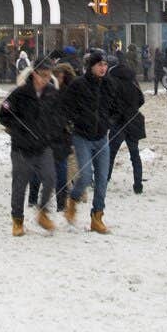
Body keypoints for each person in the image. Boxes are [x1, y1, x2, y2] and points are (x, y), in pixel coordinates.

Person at [0, 59, 59, 235]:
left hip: (43, 146)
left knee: (50, 178)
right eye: (44, 75)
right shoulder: (20, 93)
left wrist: (55, 131)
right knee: (20, 184)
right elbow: (3, 115)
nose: (47, 79)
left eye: (50, 75)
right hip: (22, 148)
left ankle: (43, 212)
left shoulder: (52, 93)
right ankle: (17, 220)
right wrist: (17, 130)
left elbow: (58, 115)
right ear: (34, 74)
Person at [62, 50, 114, 234]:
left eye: (105, 65)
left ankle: (97, 217)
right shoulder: (78, 85)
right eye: (99, 64)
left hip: (102, 138)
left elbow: (115, 106)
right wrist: (76, 121)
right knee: (85, 176)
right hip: (82, 137)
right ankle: (73, 201)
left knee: (102, 180)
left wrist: (110, 121)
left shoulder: (108, 84)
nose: (103, 68)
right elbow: (65, 107)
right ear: (91, 66)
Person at [33, 63, 76, 214]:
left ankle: (60, 203)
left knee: (61, 170)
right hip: (47, 137)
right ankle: (36, 199)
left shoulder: (66, 92)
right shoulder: (38, 92)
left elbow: (67, 114)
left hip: (59, 138)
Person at [107, 55, 146, 195]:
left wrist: (113, 115)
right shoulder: (133, 82)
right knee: (135, 154)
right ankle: (138, 184)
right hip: (133, 120)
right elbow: (142, 100)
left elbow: (110, 103)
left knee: (110, 153)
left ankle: (105, 179)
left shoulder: (112, 82)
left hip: (118, 122)